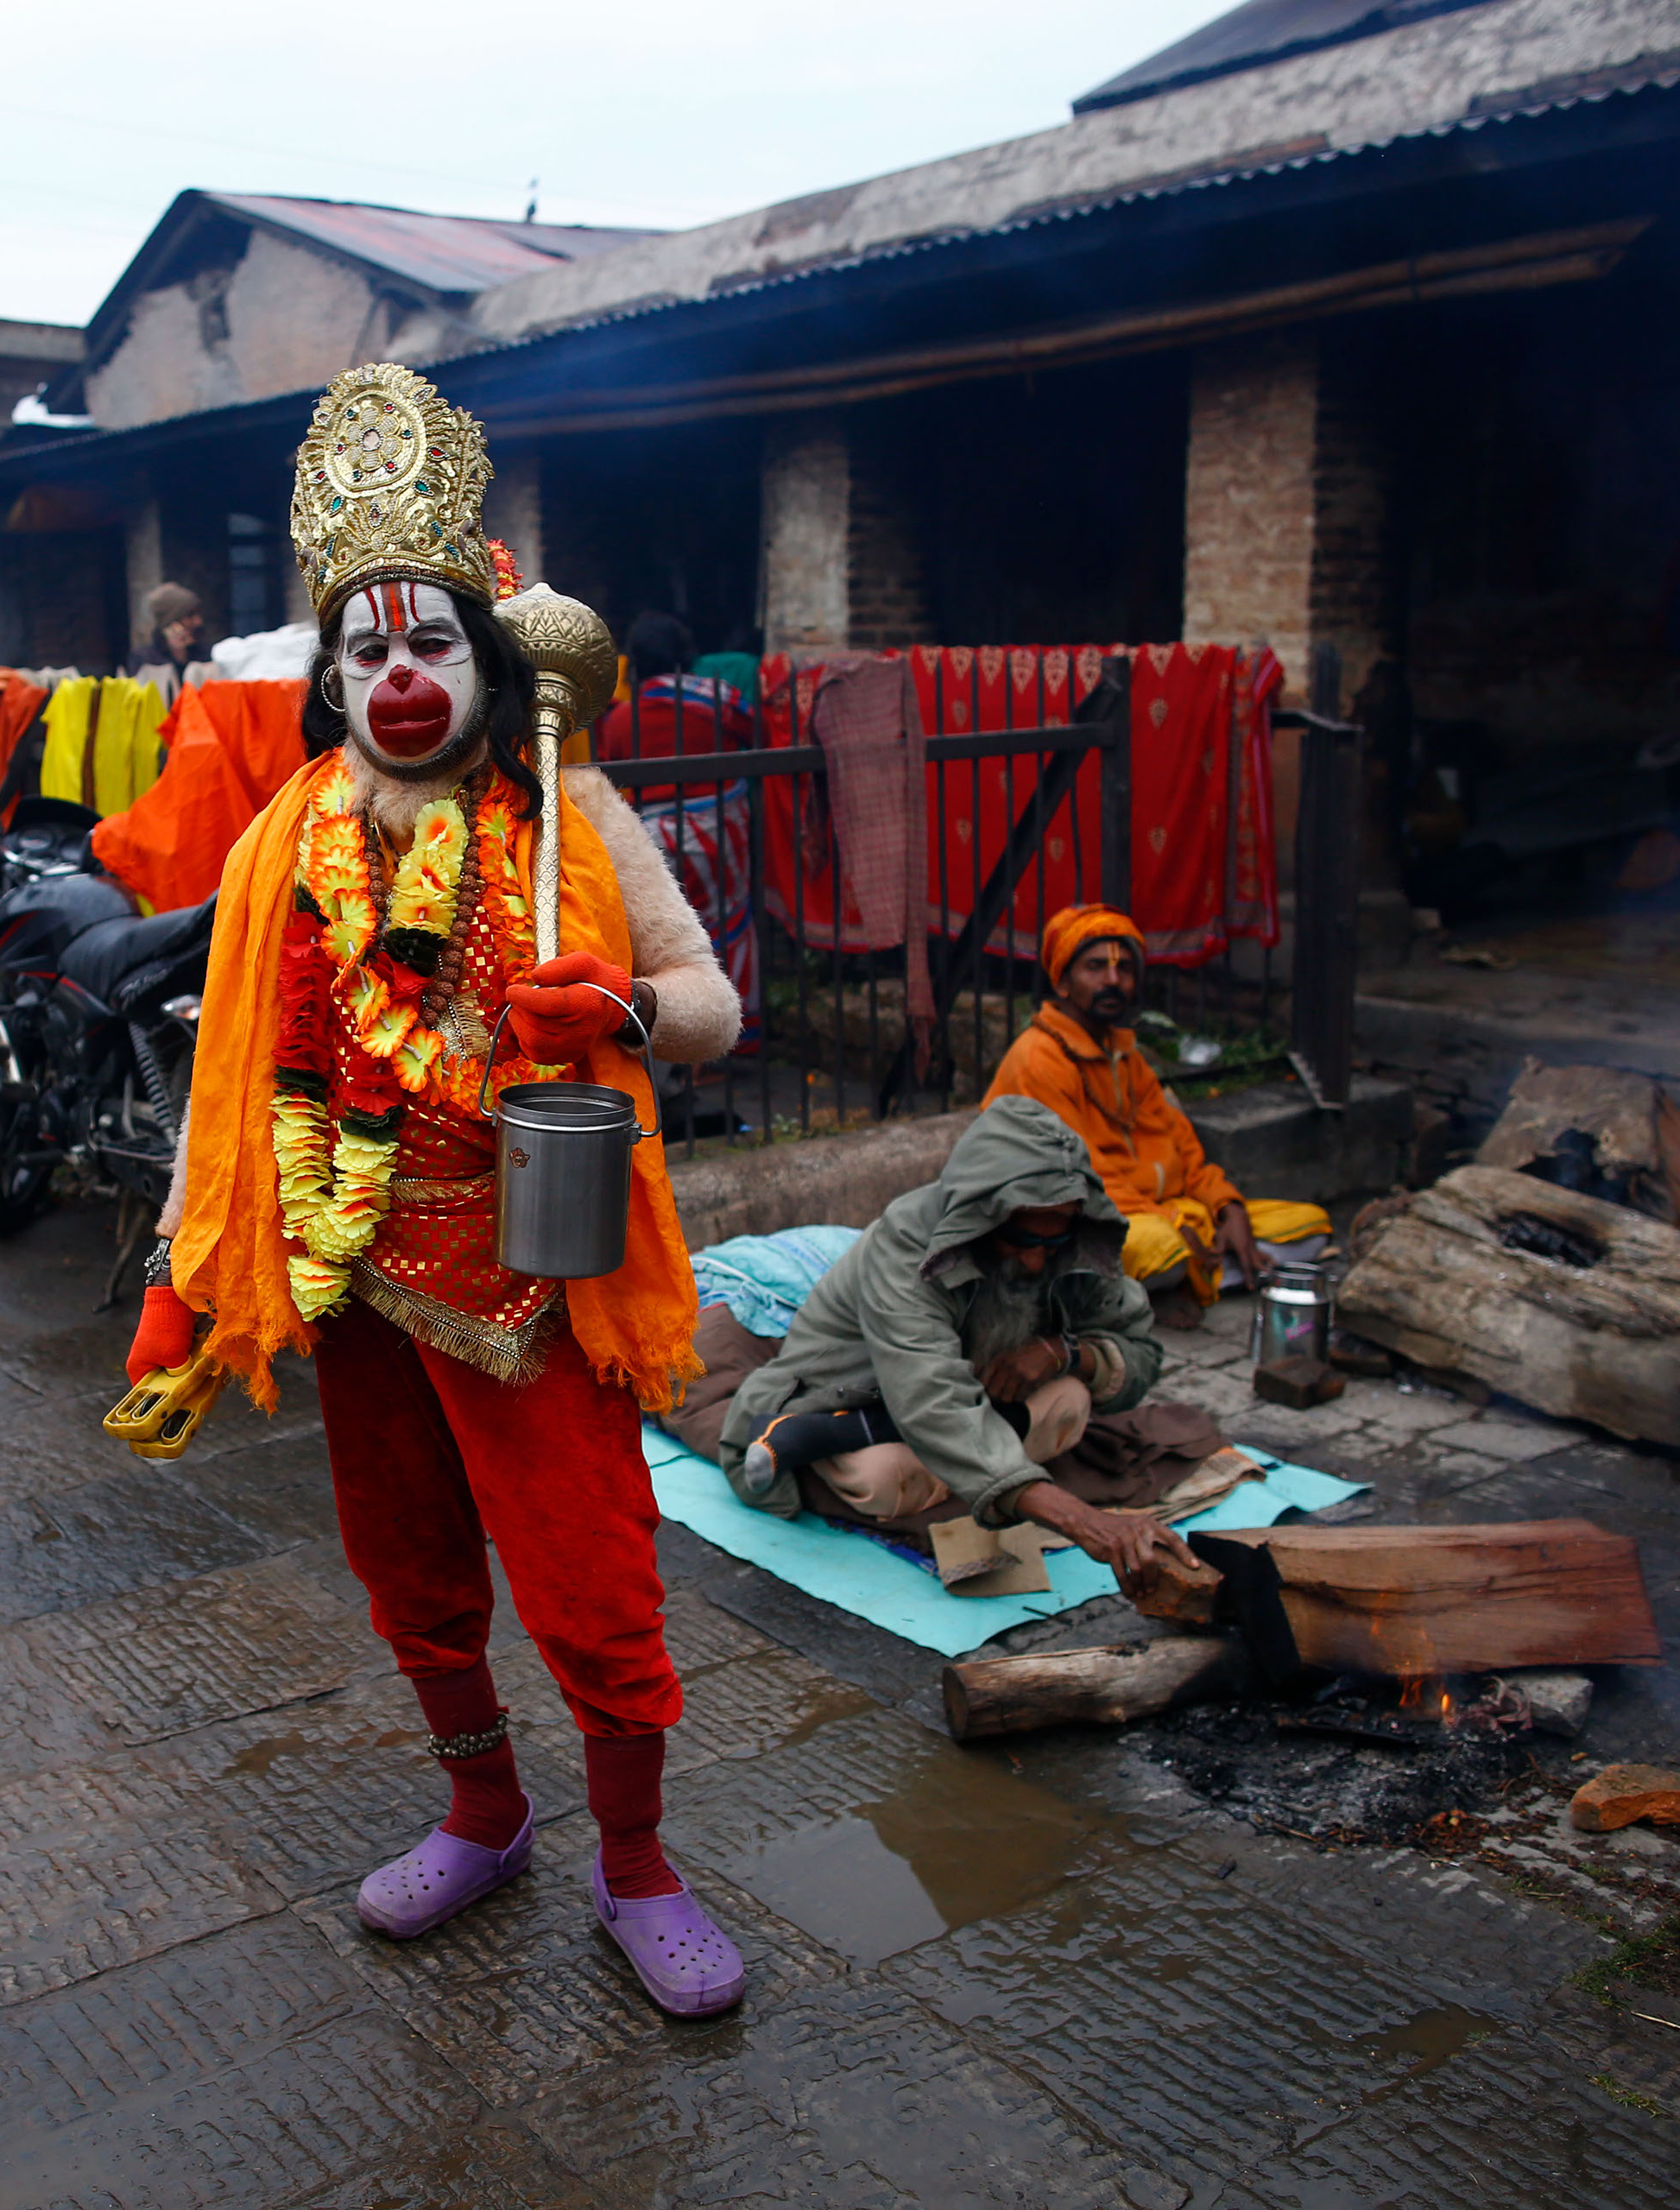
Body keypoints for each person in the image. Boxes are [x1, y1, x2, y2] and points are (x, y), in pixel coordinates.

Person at [123, 363, 750, 2017]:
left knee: (598, 1588)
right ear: (332, 679)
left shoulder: (569, 812)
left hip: (543, 1271)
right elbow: (228, 1081)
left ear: (482, 656)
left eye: (430, 643)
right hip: (356, 1281)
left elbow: (710, 1003)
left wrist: (617, 1011)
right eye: (368, 650)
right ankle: (485, 1813)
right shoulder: (284, 839)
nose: (401, 675)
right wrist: (183, 1277)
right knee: (409, 1573)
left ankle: (638, 1869)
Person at [712, 1098, 1181, 1578]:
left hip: (972, 1401)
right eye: (1022, 1242)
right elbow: (929, 1394)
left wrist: (1064, 1353)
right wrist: (1081, 1521)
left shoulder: (1069, 1235)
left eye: (1052, 1243)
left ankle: (985, 1472)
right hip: (865, 1395)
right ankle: (839, 1444)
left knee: (1071, 1402)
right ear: (983, 1221)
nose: (1037, 1262)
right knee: (883, 1480)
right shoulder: (905, 1248)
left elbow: (1139, 1350)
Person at [982, 906, 1329, 1315]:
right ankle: (1193, 1272)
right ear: (1061, 981)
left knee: (1309, 1227)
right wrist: (1172, 1224)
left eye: (1124, 969)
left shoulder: (1127, 1056)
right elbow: (1079, 1175)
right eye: (1095, 967)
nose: (1113, 980)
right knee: (1160, 1248)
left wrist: (1227, 1207)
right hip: (1083, 1220)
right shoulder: (1037, 1058)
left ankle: (1197, 1270)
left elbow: (1186, 1149)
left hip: (1169, 1211)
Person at [591, 611, 760, 1045]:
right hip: (720, 829)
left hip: (653, 840)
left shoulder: (621, 718)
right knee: (729, 922)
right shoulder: (717, 696)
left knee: (670, 937)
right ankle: (742, 1035)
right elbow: (754, 739)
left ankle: (673, 1043)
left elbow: (614, 777)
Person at [133, 581, 207, 698]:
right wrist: (176, 654)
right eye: (190, 616)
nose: (198, 622)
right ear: (171, 622)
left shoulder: (204, 653)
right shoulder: (143, 658)